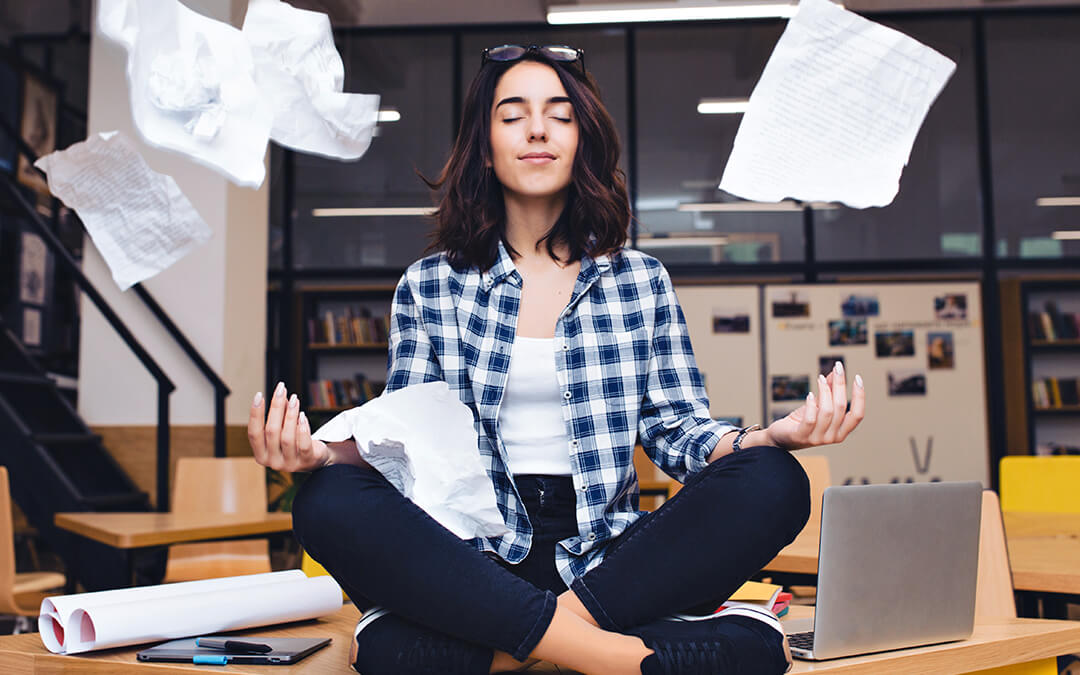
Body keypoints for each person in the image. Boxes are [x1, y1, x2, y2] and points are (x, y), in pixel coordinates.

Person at [249, 44, 866, 675]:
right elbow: (410, 446)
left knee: (775, 479)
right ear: (484, 146)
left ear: (582, 141)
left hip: (610, 561)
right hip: (476, 559)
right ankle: (625, 657)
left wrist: (768, 437)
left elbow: (676, 430)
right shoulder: (430, 284)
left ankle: (523, 645)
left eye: (559, 115)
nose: (538, 129)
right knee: (323, 498)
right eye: (513, 114)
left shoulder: (639, 280)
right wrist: (319, 457)